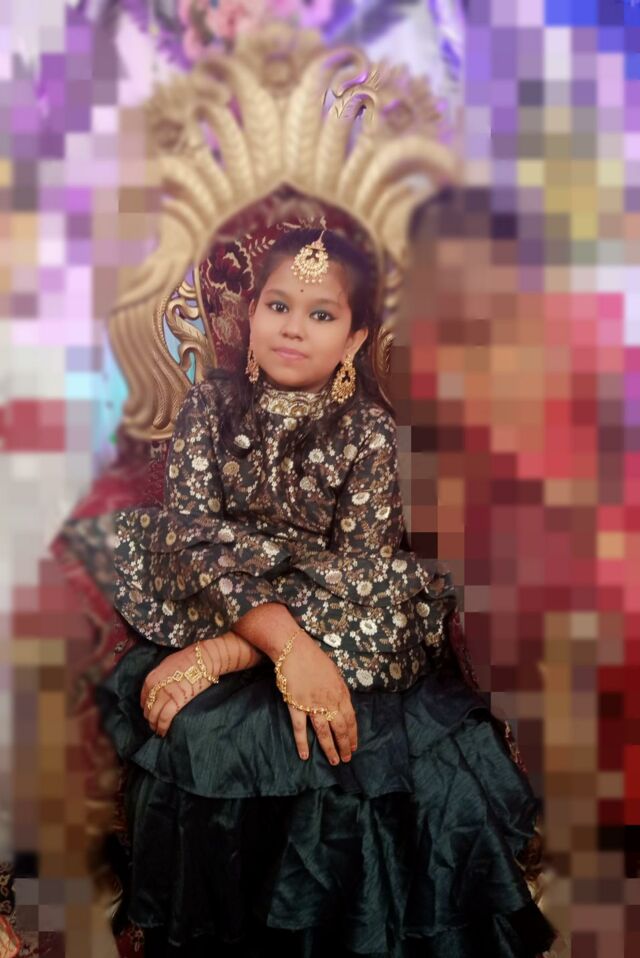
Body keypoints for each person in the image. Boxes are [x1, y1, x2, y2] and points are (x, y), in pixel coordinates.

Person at [95, 227, 557, 957]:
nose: (293, 328)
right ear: (249, 314)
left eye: (321, 314)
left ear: (354, 338)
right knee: (178, 634)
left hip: (335, 621)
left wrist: (244, 649)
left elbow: (360, 576)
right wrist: (283, 644)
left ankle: (236, 654)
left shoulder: (368, 431)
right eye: (278, 305)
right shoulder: (210, 407)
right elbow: (193, 543)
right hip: (216, 595)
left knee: (389, 618)